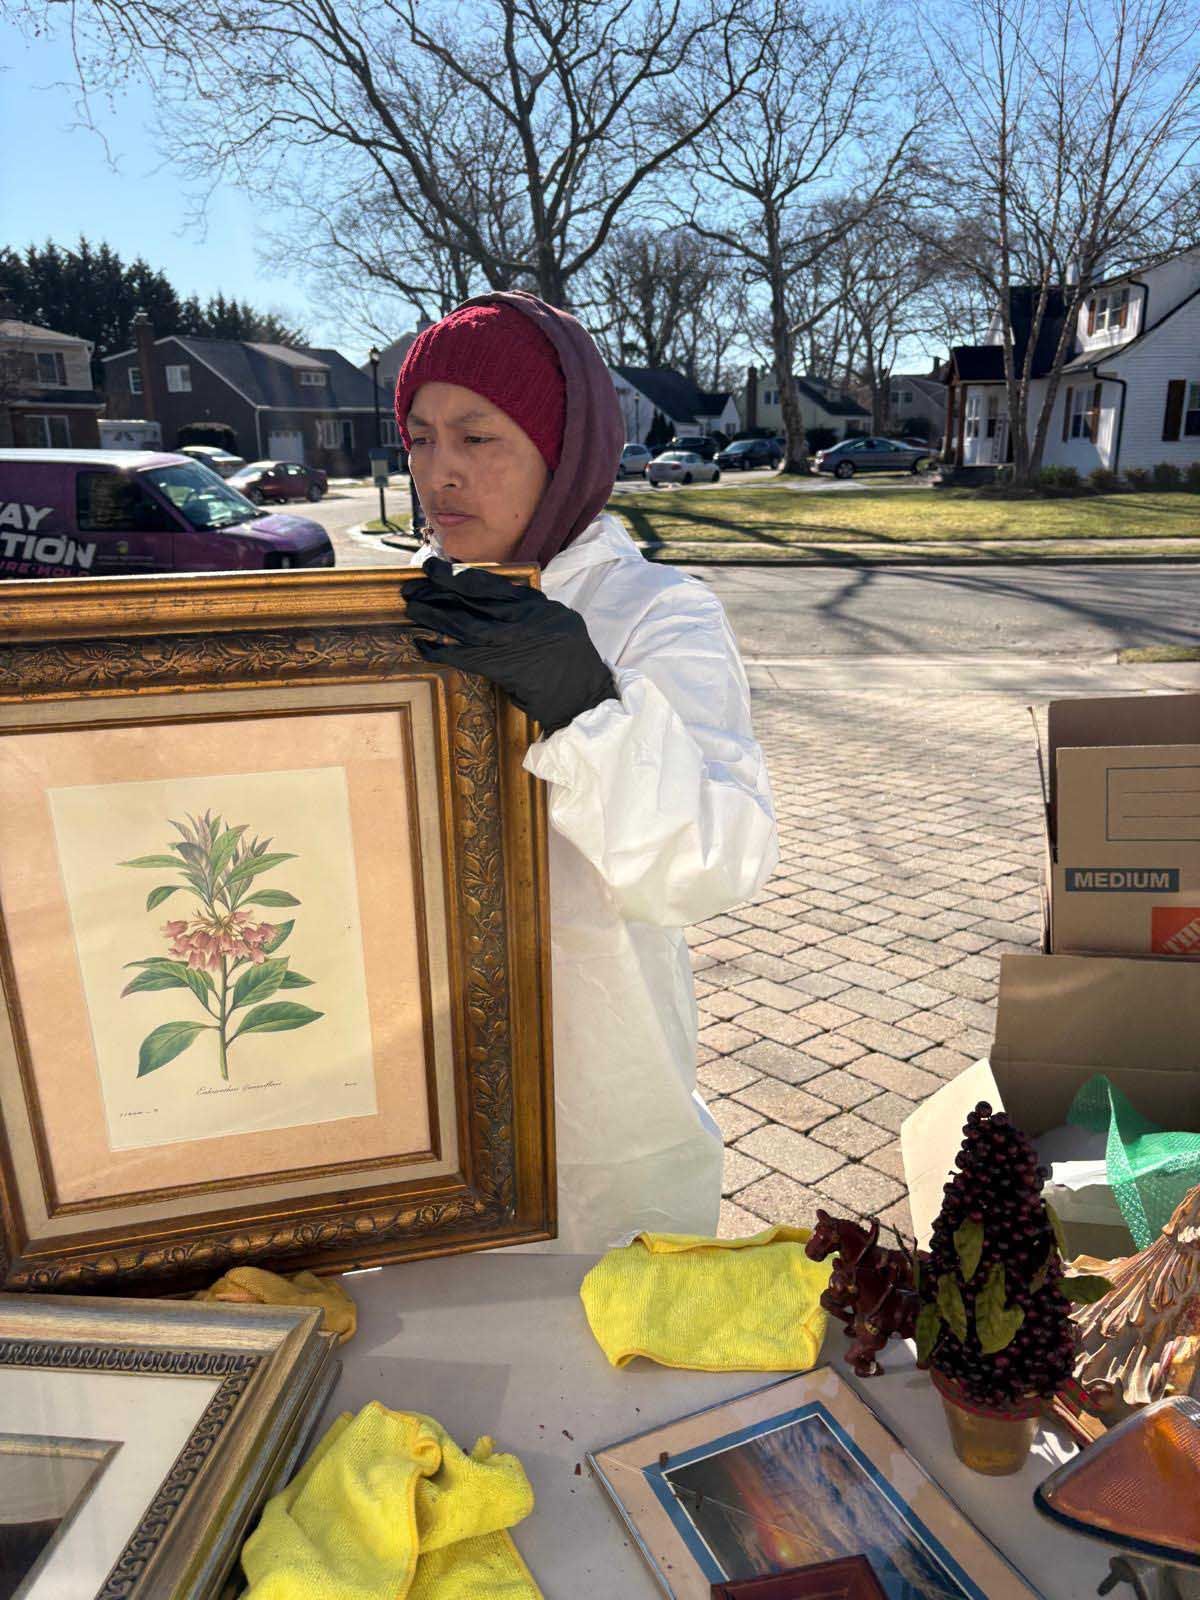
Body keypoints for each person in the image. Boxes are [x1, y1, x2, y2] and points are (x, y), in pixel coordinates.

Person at [394, 290, 778, 1252]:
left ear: (563, 450)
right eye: (420, 436)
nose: (440, 471)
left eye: (478, 437)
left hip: (595, 1113)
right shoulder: (395, 613)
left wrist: (587, 706)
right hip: (408, 1106)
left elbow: (715, 862)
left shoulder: (657, 614)